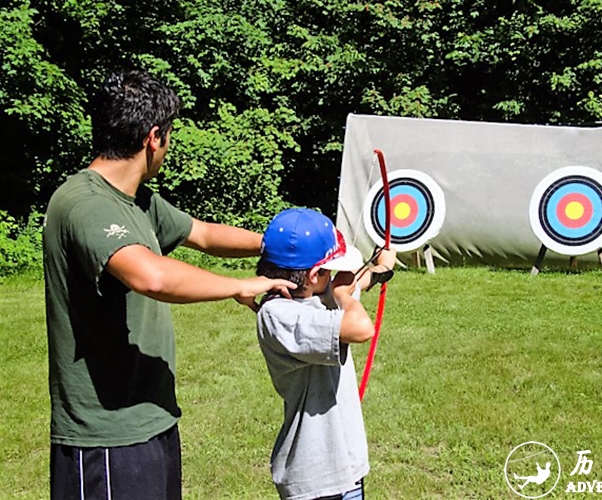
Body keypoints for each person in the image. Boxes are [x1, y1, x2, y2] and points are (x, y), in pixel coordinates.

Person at [43, 69, 295, 500]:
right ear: (153, 137)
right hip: (105, 436)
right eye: (170, 136)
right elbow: (151, 275)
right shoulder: (83, 203)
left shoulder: (136, 199)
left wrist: (285, 245)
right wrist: (238, 285)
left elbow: (203, 234)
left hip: (152, 420)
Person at [255, 208, 396, 499]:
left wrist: (382, 267)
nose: (334, 277)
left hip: (347, 469)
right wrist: (343, 295)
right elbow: (360, 327)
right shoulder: (278, 314)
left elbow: (357, 282)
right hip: (314, 476)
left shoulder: (318, 296)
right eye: (329, 270)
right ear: (314, 274)